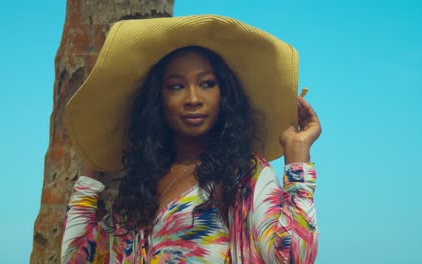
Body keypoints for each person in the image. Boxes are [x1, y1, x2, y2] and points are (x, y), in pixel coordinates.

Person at [61, 15, 321, 264]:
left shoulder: (243, 175)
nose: (193, 99)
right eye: (176, 86)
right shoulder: (139, 190)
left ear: (224, 95)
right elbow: (75, 260)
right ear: (158, 99)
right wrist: (89, 176)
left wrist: (297, 162)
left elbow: (292, 258)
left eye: (207, 84)